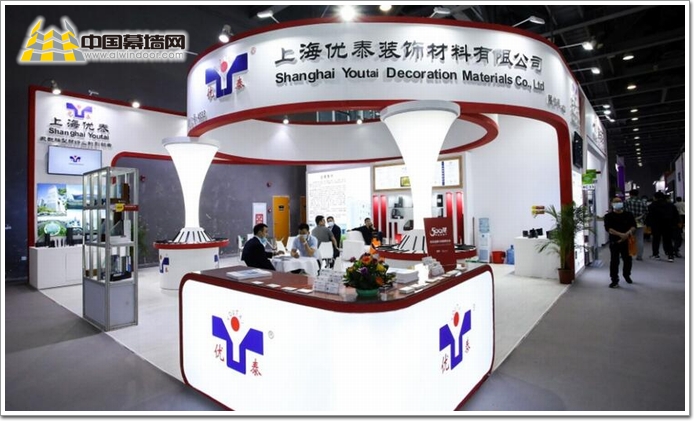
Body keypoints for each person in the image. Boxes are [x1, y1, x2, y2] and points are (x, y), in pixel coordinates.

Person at [604, 197, 637, 288]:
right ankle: (614, 280)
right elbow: (609, 229)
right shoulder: (608, 216)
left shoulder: (629, 215)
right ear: (612, 203)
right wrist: (621, 235)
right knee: (614, 261)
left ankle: (627, 275)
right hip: (614, 241)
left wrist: (626, 234)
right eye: (616, 202)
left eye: (619, 201)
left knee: (628, 259)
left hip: (627, 241)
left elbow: (633, 226)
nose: (618, 203)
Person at [645, 191, 679, 262]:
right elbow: (675, 215)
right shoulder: (670, 205)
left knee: (656, 240)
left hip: (656, 225)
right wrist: (674, 224)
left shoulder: (652, 206)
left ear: (655, 197)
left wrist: (648, 224)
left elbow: (650, 216)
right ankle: (670, 256)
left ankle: (656, 254)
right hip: (668, 225)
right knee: (668, 240)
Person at [624, 189, 648, 261]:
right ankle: (639, 256)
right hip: (639, 222)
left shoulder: (626, 202)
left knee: (627, 238)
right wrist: (640, 218)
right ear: (638, 194)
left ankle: (627, 254)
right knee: (639, 239)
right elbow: (646, 212)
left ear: (630, 194)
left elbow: (624, 212)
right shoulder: (643, 202)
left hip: (629, 223)